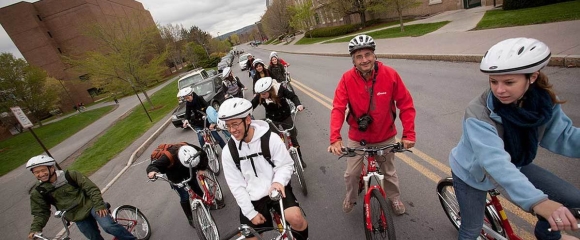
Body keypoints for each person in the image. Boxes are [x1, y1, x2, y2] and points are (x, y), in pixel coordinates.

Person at [450, 38, 580, 240]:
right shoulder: (478, 112)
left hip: (515, 163)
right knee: (471, 230)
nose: (499, 90)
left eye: (509, 82)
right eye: (494, 81)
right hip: (472, 173)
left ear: (533, 77)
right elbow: (495, 162)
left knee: (573, 198)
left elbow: (564, 136)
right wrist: (539, 202)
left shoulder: (543, 104)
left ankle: (546, 235)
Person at [327, 34, 416, 215]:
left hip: (385, 136)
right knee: (351, 174)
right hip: (358, 138)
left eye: (368, 54)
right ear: (353, 60)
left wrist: (409, 135)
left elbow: (406, 105)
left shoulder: (390, 74)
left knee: (389, 172)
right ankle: (351, 198)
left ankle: (394, 198)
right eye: (359, 56)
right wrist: (335, 138)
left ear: (374, 55)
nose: (364, 60)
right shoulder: (346, 79)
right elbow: (338, 108)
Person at [217, 98, 309, 240]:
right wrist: (250, 213)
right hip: (252, 197)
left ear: (247, 120)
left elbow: (285, 164)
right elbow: (236, 186)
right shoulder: (229, 152)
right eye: (228, 126)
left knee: (296, 218)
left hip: (276, 189)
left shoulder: (270, 138)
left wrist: (278, 182)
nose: (231, 130)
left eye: (235, 124)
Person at [26, 155, 136, 240]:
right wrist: (35, 229)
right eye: (36, 172)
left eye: (43, 170)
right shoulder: (39, 191)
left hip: (92, 206)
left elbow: (91, 189)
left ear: (51, 168)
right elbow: (40, 212)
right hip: (76, 215)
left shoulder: (70, 175)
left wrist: (99, 205)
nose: (40, 174)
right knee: (93, 237)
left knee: (108, 226)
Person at [147, 144, 215, 226]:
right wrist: (152, 172)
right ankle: (191, 218)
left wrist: (202, 168)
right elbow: (152, 166)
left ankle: (206, 203)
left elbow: (202, 153)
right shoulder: (167, 157)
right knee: (184, 196)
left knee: (195, 187)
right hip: (175, 177)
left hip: (189, 171)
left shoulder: (187, 147)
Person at [252, 77, 307, 168]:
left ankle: (300, 158)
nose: (262, 96)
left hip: (285, 115)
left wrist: (298, 104)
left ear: (270, 90)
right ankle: (281, 160)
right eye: (260, 94)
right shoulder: (261, 95)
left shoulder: (279, 88)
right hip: (272, 119)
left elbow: (292, 96)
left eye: (264, 94)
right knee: (275, 140)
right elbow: (251, 105)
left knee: (292, 136)